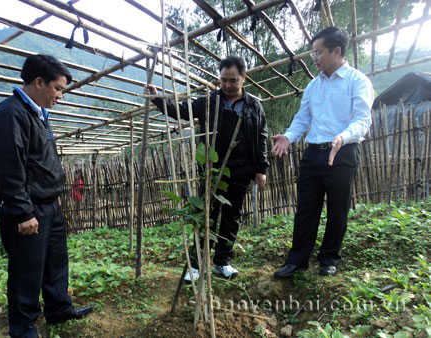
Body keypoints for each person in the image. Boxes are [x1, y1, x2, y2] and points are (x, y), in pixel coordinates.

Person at [0, 54, 93, 338]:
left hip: (49, 205)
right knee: (26, 271)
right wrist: (22, 212)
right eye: (58, 88)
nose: (60, 95)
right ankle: (23, 328)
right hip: (28, 210)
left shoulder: (38, 113)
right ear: (38, 81)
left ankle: (58, 309)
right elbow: (9, 168)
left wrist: (54, 195)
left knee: (55, 262)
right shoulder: (10, 114)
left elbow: (40, 162)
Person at [145, 55, 269, 281]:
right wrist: (158, 99)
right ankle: (197, 265)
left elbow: (261, 138)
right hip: (211, 171)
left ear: (244, 77)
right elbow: (181, 110)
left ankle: (223, 262)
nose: (228, 85)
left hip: (241, 171)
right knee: (206, 216)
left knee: (231, 217)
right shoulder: (209, 101)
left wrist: (261, 169)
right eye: (223, 80)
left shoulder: (254, 106)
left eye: (233, 80)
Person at [271, 27, 374, 278]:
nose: (314, 58)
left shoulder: (357, 81)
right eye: (313, 52)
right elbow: (302, 118)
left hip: (343, 152)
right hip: (314, 154)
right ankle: (297, 261)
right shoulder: (313, 86)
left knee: (337, 209)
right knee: (306, 208)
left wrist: (343, 136)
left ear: (336, 51)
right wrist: (289, 136)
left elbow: (362, 120)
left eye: (319, 52)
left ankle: (329, 258)